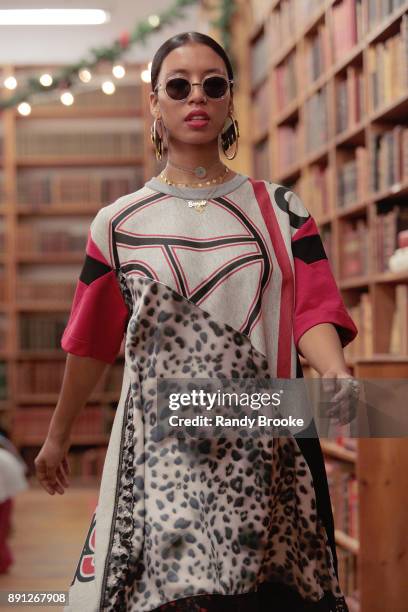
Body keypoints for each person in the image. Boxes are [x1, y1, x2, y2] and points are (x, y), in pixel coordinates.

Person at [34, 31, 359, 612]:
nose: (197, 98)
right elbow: (89, 342)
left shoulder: (282, 210)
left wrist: (335, 371)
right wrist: (58, 435)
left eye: (213, 85)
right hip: (166, 456)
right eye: (179, 86)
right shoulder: (118, 223)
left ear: (231, 99)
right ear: (154, 102)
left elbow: (311, 306)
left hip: (272, 443)